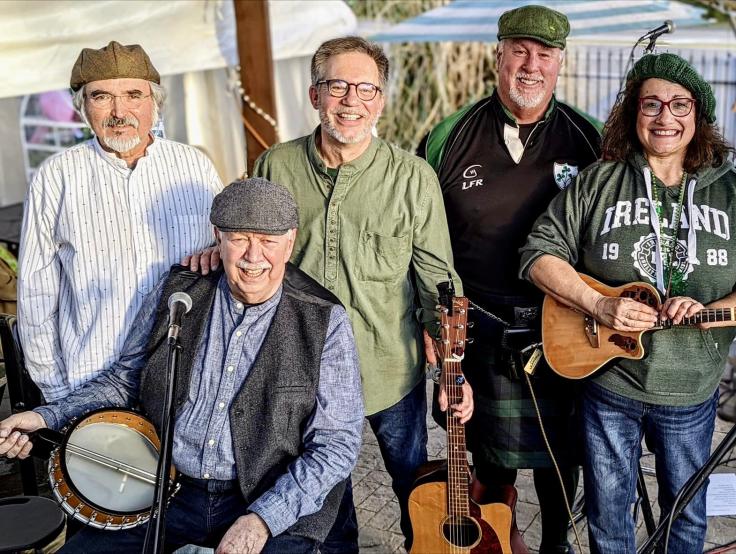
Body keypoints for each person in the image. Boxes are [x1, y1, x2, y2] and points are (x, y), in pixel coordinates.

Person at [0, 177, 364, 553]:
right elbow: (126, 379)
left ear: (290, 241)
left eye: (268, 241)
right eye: (239, 239)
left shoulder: (324, 320)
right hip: (170, 487)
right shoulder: (180, 292)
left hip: (264, 496)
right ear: (217, 237)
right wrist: (47, 417)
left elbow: (336, 445)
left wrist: (262, 519)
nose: (253, 257)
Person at [518, 53, 736, 552]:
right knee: (608, 516)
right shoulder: (598, 181)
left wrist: (714, 308)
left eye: (679, 105)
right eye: (651, 104)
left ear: (698, 116)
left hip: (690, 389)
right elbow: (536, 255)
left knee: (686, 515)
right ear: (633, 113)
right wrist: (597, 304)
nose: (665, 117)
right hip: (610, 382)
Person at [243, 37, 471, 552]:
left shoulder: (413, 178)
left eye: (366, 89)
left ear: (382, 101)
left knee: (415, 483)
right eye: (337, 86)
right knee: (324, 497)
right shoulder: (275, 168)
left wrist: (455, 371)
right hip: (299, 374)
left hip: (389, 367)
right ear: (314, 94)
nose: (352, 101)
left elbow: (440, 284)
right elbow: (250, 260)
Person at [418, 6, 601, 552]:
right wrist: (430, 321)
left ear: (560, 64)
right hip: (477, 327)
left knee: (560, 456)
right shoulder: (450, 136)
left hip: (564, 325)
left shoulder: (588, 139)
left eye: (545, 55)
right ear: (498, 55)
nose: (531, 65)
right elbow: (424, 241)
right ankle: (496, 538)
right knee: (488, 455)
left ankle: (555, 545)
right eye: (520, 51)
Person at [18, 41, 223, 402]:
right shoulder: (56, 177)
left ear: (154, 103)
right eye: (101, 97)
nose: (119, 111)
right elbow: (37, 292)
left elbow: (229, 257)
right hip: (92, 378)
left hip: (187, 375)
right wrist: (58, 390)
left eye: (133, 95)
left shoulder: (196, 167)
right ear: (83, 108)